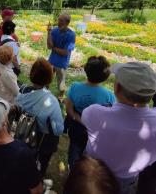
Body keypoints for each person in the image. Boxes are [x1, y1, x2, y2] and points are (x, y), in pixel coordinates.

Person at [82, 62, 156, 194]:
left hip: (92, 177)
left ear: (116, 88)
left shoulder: (95, 113)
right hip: (127, 182)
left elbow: (84, 118)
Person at [16, 58, 64, 177]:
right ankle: (37, 180)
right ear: (49, 78)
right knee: (40, 165)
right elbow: (58, 129)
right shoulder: (51, 101)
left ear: (31, 74)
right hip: (42, 141)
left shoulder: (22, 90)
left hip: (23, 132)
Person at [65, 56, 115, 168]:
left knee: (74, 148)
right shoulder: (109, 96)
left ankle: (73, 169)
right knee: (90, 154)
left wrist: (80, 120)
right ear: (105, 77)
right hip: (95, 130)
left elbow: (68, 109)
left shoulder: (75, 87)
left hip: (76, 125)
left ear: (86, 70)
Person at [47, 13, 76, 99]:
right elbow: (49, 46)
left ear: (67, 23)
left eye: (61, 20)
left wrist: (54, 48)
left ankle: (60, 97)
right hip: (52, 60)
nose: (58, 22)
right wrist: (48, 33)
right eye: (58, 20)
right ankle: (44, 93)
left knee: (61, 83)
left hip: (62, 63)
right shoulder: (55, 30)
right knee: (47, 79)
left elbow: (65, 53)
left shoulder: (71, 35)